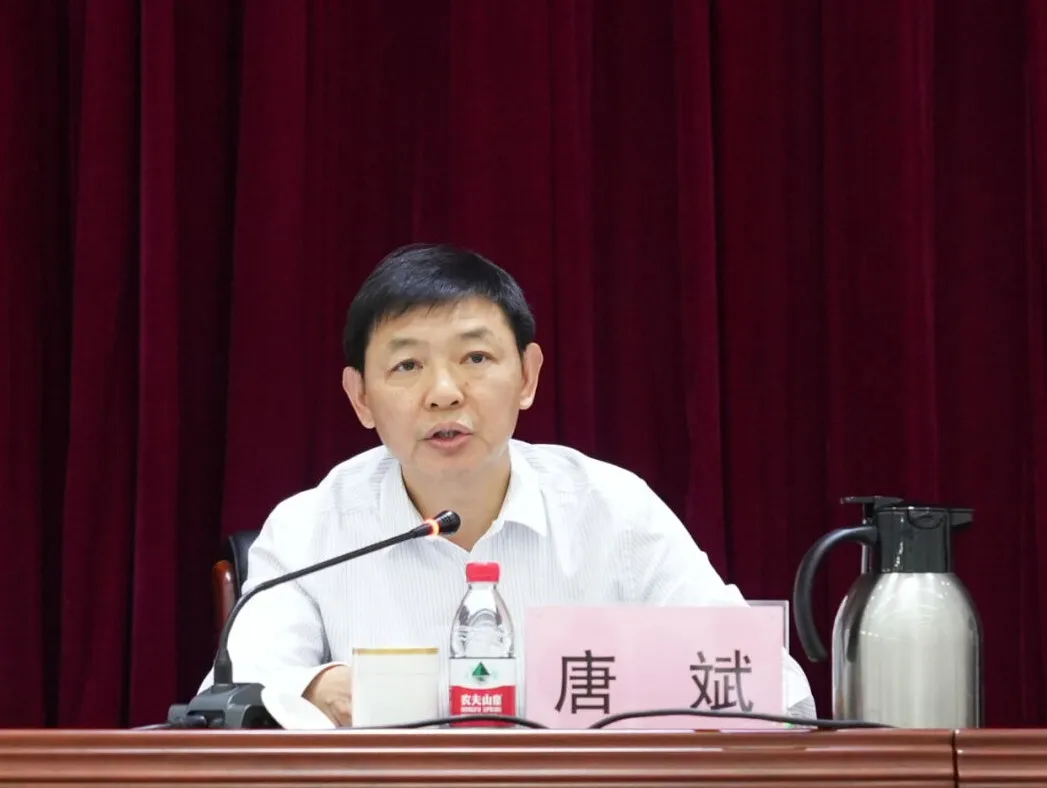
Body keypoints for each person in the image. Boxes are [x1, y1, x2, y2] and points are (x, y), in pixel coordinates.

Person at [198, 243, 815, 725]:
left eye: (475, 358)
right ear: (360, 396)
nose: (444, 392)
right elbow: (228, 701)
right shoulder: (311, 529)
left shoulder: (612, 510)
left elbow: (774, 688)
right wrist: (313, 689)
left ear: (527, 376)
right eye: (407, 364)